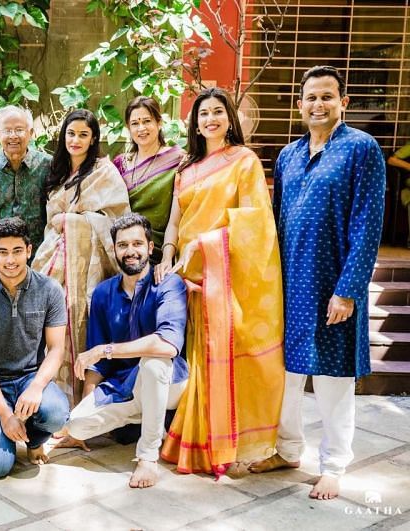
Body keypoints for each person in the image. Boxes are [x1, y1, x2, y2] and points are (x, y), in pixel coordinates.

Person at [249, 66, 386, 500]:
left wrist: (349, 289)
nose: (318, 104)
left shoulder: (362, 149)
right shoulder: (288, 156)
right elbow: (273, 223)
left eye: (327, 96)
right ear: (300, 103)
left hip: (332, 285)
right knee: (284, 376)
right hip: (287, 286)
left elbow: (368, 224)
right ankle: (287, 450)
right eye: (311, 97)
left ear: (343, 102)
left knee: (333, 380)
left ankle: (333, 465)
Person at [156, 87, 285, 477]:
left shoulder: (243, 161)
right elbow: (175, 222)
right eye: (203, 114)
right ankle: (192, 436)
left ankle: (219, 443)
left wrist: (205, 243)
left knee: (218, 361)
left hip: (222, 276)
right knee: (191, 361)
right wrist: (167, 254)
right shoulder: (186, 169)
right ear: (194, 123)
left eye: (217, 112)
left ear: (230, 118)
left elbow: (256, 222)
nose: (210, 119)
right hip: (188, 275)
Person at [58, 213, 188, 488]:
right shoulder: (104, 293)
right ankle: (150, 418)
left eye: (137, 244)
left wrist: (106, 350)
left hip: (171, 380)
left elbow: (167, 344)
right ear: (114, 249)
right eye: (123, 245)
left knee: (154, 363)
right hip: (125, 387)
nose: (131, 251)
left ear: (150, 248)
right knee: (78, 424)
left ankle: (148, 457)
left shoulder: (168, 283)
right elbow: (98, 364)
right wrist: (83, 414)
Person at [32, 108, 130, 404]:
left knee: (82, 319)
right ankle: (50, 399)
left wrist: (73, 221)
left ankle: (81, 402)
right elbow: (51, 218)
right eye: (71, 133)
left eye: (83, 135)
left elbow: (115, 216)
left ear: (93, 139)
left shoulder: (103, 170)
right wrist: (63, 222)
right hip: (54, 258)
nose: (75, 140)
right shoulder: (57, 171)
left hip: (88, 265)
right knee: (49, 322)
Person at [0, 217, 70, 478]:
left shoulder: (50, 290)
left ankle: (33, 440)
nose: (10, 260)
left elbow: (56, 349)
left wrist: (35, 388)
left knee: (57, 413)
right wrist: (3, 413)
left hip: (29, 377)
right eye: (2, 252)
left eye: (17, 251)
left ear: (29, 250)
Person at [0, 105, 50, 278]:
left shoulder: (47, 166)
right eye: (7, 130)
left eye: (19, 130)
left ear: (30, 133)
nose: (13, 136)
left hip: (37, 258)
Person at [113, 97, 185, 262]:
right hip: (125, 249)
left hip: (162, 248)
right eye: (135, 124)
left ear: (159, 123)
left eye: (147, 121)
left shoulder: (178, 159)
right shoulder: (120, 164)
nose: (141, 128)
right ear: (128, 128)